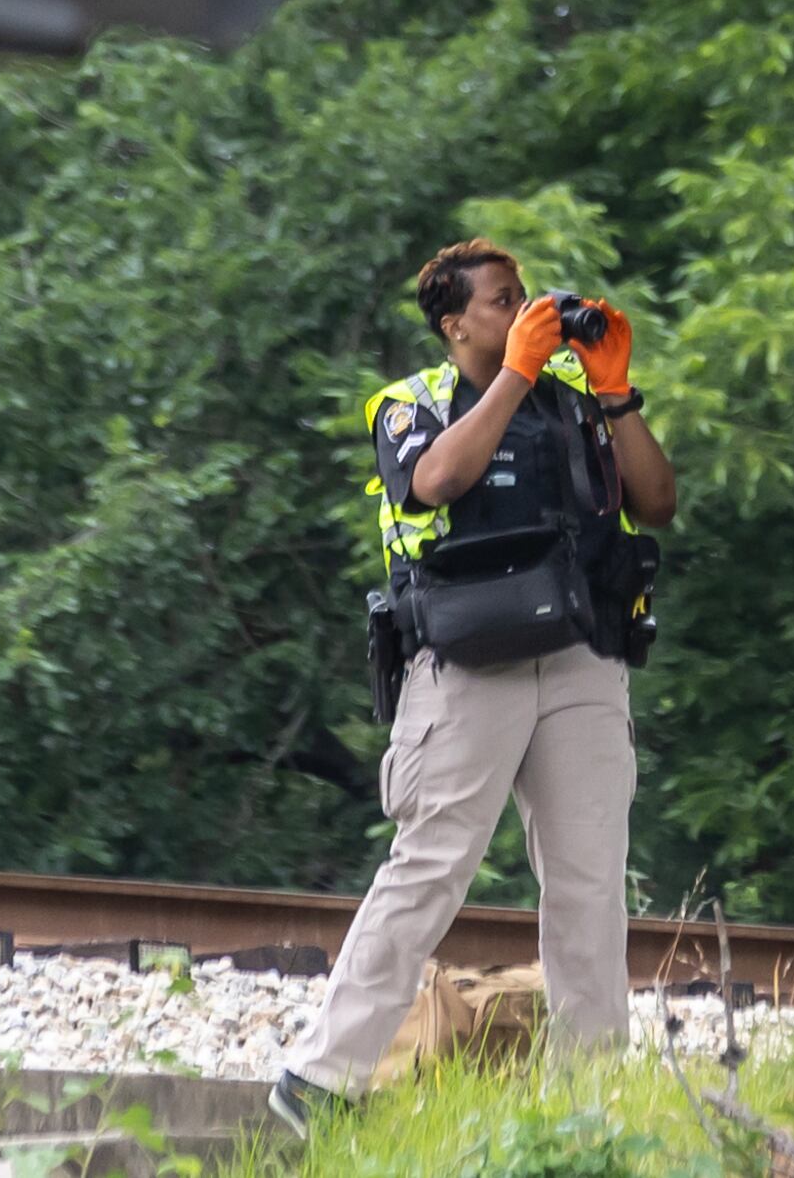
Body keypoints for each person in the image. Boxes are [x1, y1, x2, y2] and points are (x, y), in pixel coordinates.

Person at [272, 238, 677, 1126]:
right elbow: (435, 480)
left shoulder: (572, 405)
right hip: (464, 661)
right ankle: (321, 1078)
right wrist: (515, 376)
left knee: (589, 880)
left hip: (578, 658)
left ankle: (593, 1097)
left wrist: (615, 389)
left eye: (526, 297)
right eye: (502, 301)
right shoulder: (410, 405)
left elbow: (657, 501)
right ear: (455, 323)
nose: (523, 310)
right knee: (430, 868)